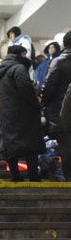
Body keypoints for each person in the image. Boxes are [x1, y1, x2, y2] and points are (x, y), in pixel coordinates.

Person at [0, 45, 45, 182]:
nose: (26, 56)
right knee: (30, 144)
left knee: (11, 144)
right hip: (23, 112)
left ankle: (15, 176)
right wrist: (35, 103)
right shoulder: (19, 68)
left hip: (8, 112)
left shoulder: (3, 71)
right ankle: (33, 175)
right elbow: (25, 87)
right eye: (24, 54)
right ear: (20, 54)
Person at [41, 32, 71, 179]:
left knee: (64, 145)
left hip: (60, 113)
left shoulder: (59, 62)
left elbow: (49, 88)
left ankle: (66, 179)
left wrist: (43, 102)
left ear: (64, 44)